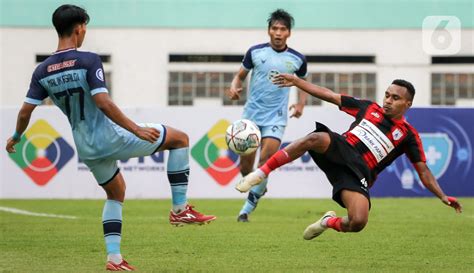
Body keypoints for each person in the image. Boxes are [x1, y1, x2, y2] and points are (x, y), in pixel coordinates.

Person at [5, 5, 216, 271]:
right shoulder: (88, 60)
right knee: (180, 139)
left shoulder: (43, 71)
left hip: (85, 146)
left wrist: (15, 136)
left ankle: (114, 259)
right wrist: (135, 129)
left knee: (116, 192)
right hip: (110, 136)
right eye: (85, 28)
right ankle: (180, 208)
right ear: (80, 27)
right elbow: (103, 102)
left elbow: (26, 111)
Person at [236, 74, 463, 239]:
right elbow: (329, 95)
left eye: (395, 98)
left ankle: (328, 222)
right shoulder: (368, 108)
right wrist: (297, 82)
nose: (388, 101)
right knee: (315, 138)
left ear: (407, 104)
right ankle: (261, 173)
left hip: (359, 172)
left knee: (358, 222)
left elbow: (423, 171)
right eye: (387, 95)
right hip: (343, 148)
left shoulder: (408, 136)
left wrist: (442, 196)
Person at [227, 9, 308, 222]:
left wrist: (300, 104)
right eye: (275, 28)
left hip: (276, 118)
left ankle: (246, 209)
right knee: (246, 168)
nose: (278, 33)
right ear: (269, 31)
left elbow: (304, 84)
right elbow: (239, 76)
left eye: (282, 29)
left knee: (265, 162)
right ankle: (258, 188)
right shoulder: (255, 52)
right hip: (251, 118)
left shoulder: (297, 59)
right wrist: (234, 88)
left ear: (289, 33)